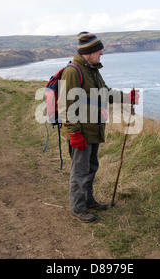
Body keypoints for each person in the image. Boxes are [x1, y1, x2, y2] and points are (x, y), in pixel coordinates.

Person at [59, 32, 139, 222]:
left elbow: (104, 93)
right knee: (79, 171)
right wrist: (74, 132)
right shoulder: (72, 72)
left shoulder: (92, 69)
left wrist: (126, 97)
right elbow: (66, 105)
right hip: (81, 132)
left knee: (91, 167)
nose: (102, 53)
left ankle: (88, 200)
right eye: (99, 50)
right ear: (89, 51)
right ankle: (78, 208)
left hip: (94, 129)